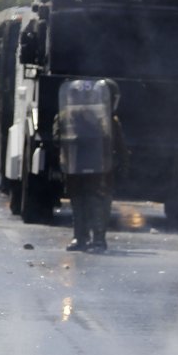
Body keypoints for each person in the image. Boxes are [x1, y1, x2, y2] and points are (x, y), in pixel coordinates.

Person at [55, 79, 128, 253]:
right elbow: (59, 139)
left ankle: (96, 239)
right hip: (78, 165)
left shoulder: (109, 120)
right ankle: (82, 237)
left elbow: (118, 145)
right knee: (80, 202)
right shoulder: (66, 117)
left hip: (100, 167)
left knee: (96, 203)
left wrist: (121, 164)